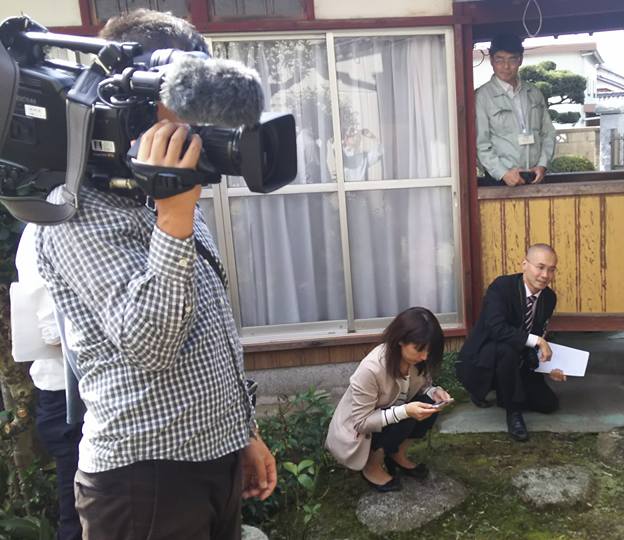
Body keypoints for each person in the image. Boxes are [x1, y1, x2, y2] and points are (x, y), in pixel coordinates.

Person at [35, 10, 276, 539]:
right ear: (135, 96)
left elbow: (209, 332)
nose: (200, 124)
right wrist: (174, 217)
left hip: (211, 455)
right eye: (187, 102)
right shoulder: (78, 211)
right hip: (142, 478)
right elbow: (152, 345)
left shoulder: (164, 191)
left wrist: (244, 432)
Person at [325, 307, 452, 492]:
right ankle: (371, 466)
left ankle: (396, 454)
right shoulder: (371, 368)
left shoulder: (418, 361)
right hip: (358, 429)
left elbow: (422, 386)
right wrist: (405, 411)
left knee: (429, 405)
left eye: (429, 350)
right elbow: (361, 422)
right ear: (400, 340)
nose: (425, 356)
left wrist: (434, 392)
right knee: (405, 416)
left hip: (390, 411)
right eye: (419, 349)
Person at [11, 224, 83, 540]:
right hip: (68, 397)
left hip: (93, 393)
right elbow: (55, 334)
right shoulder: (43, 230)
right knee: (80, 517)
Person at [455, 244, 565, 442]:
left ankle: (505, 390)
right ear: (524, 264)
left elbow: (537, 333)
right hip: (487, 354)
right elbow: (496, 329)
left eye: (551, 269)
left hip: (521, 359)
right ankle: (512, 412)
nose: (545, 275)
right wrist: (537, 340)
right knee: (508, 349)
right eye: (540, 267)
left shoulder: (549, 297)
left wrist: (550, 367)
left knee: (549, 404)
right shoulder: (501, 287)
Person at [475, 33, 556, 187]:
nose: (506, 66)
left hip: (535, 176)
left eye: (512, 59)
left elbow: (548, 133)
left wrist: (542, 165)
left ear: (520, 60)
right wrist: (503, 173)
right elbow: (481, 144)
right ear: (491, 60)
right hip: (499, 180)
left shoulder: (534, 93)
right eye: (500, 60)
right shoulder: (482, 96)